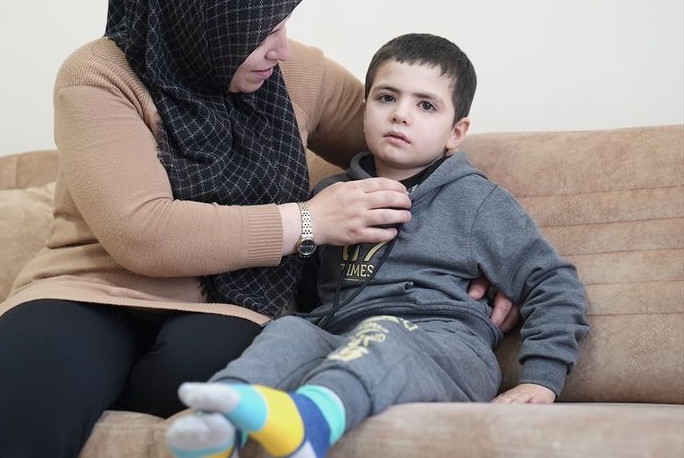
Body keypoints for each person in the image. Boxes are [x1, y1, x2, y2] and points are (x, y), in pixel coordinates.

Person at [0, 0, 515, 456]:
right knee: (29, 371)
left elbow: (416, 149)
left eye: (283, 24)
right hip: (90, 290)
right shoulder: (99, 76)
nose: (281, 47)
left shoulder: (297, 72)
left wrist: (487, 251)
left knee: (222, 377)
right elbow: (143, 233)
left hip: (231, 304)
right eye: (259, 31)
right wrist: (310, 221)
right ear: (198, 19)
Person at [164, 33, 590, 458]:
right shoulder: (333, 197)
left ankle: (311, 424)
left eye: (426, 106)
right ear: (365, 108)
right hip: (343, 339)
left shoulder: (475, 200)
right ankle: (219, 422)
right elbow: (308, 289)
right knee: (290, 330)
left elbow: (552, 282)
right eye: (387, 98)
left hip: (447, 348)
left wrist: (541, 379)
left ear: (456, 132)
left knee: (383, 332)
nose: (401, 115)